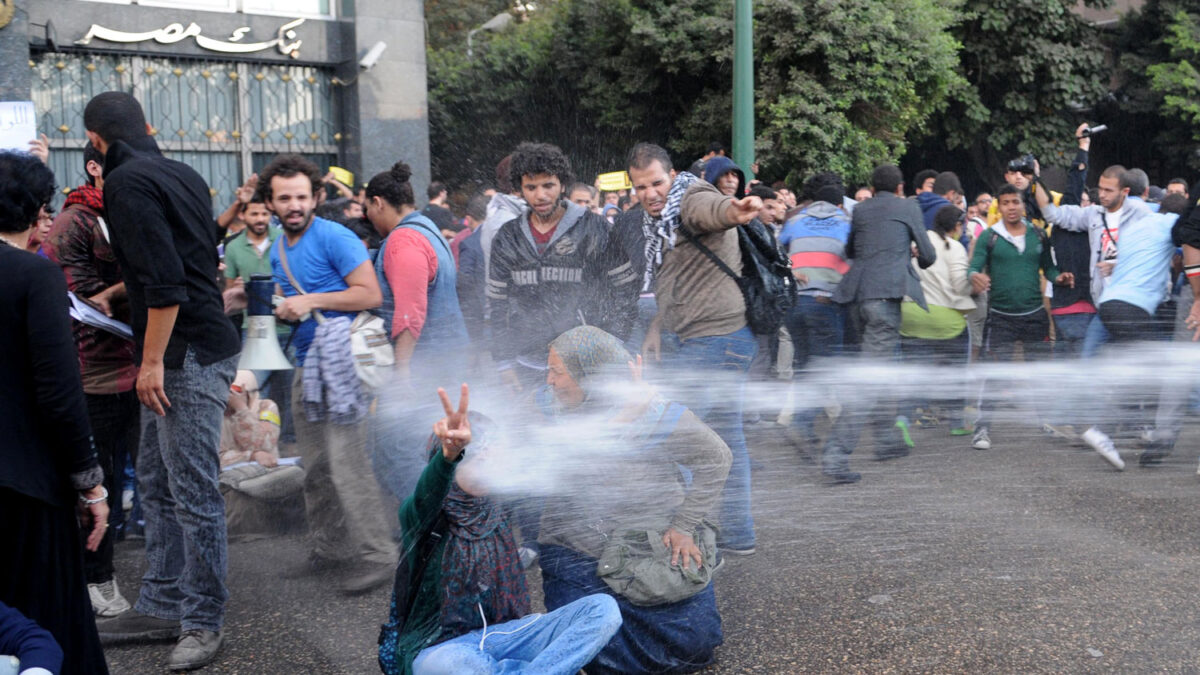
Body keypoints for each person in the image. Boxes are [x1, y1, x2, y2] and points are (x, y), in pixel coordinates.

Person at [83, 91, 240, 670]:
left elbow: (168, 282)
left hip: (186, 354)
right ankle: (163, 600)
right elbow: (190, 261)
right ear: (147, 127)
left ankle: (202, 619)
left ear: (97, 142)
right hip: (195, 344)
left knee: (194, 493)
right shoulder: (182, 172)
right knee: (154, 477)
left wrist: (151, 364)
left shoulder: (124, 185)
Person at [377, 383, 622, 675]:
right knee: (458, 666)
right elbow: (428, 491)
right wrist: (449, 456)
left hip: (505, 636)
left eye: (493, 454)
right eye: (479, 457)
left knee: (602, 610)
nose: (489, 463)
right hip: (441, 648)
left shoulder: (497, 506)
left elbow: (555, 459)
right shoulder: (423, 516)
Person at [536, 327, 732, 674]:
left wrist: (684, 527)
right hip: (577, 547)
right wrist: (624, 417)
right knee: (597, 653)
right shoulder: (548, 408)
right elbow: (572, 459)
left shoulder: (657, 414)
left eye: (557, 371)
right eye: (549, 369)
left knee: (695, 647)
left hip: (648, 543)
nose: (548, 380)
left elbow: (717, 457)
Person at [257, 154, 396, 594]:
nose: (294, 205)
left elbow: (369, 294)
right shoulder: (279, 245)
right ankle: (329, 548)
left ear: (317, 196)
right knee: (314, 466)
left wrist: (311, 301)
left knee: (347, 464)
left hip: (341, 365)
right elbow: (295, 300)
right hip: (307, 364)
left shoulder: (335, 236)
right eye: (284, 198)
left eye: (301, 196)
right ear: (271, 202)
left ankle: (379, 555)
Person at [0, 150, 110, 675]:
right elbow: (61, 393)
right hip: (26, 488)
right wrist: (92, 486)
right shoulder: (34, 277)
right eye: (44, 209)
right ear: (30, 211)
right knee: (44, 632)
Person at [640, 157, 763, 553]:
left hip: (714, 342)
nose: (650, 194)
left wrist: (734, 209)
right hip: (727, 339)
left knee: (673, 436)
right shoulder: (663, 219)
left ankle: (688, 531)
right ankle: (738, 534)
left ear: (672, 177)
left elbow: (712, 212)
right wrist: (657, 327)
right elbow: (673, 277)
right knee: (727, 440)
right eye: (640, 187)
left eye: (657, 183)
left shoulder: (691, 197)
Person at [40, 143, 139, 620]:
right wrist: (138, 287)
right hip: (94, 376)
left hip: (145, 369)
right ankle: (96, 578)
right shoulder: (74, 222)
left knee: (152, 482)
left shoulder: (134, 209)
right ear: (95, 168)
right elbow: (82, 301)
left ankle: (159, 576)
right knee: (98, 484)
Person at [486, 142, 636, 393]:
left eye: (548, 185)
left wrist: (613, 343)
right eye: (531, 187)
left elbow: (626, 289)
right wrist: (504, 363)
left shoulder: (594, 228)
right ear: (520, 190)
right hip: (527, 364)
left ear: (563, 185)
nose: (540, 195)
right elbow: (497, 303)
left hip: (585, 363)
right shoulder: (507, 236)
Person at [823, 164, 937, 484]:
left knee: (881, 370)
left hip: (858, 298)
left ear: (872, 189)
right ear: (901, 187)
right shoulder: (908, 207)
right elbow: (928, 256)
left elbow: (850, 250)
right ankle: (836, 454)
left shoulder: (860, 211)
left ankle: (886, 439)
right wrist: (909, 253)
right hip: (886, 300)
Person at [365, 161, 471, 500]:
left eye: (368, 208)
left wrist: (403, 372)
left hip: (423, 367)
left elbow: (410, 312)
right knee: (430, 451)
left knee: (395, 454)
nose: (368, 216)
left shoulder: (403, 241)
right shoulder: (428, 229)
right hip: (446, 362)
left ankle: (424, 534)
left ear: (378, 203)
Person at [969, 184, 1074, 451]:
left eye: (1015, 202)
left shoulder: (1038, 234)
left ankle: (1046, 422)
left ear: (1023, 205)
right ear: (999, 207)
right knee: (995, 375)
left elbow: (1049, 269)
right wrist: (975, 276)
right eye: (1005, 203)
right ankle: (982, 428)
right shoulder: (989, 237)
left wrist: (1059, 278)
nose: (1011, 207)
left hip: (1034, 316)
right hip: (1001, 318)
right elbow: (973, 266)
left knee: (1040, 373)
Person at [780, 174, 852, 446]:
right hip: (825, 302)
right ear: (840, 204)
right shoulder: (847, 223)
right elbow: (851, 260)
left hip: (796, 302)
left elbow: (779, 252)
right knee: (824, 367)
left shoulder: (795, 220)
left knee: (804, 363)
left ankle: (803, 420)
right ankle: (803, 421)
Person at [900, 207, 976, 431]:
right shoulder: (954, 247)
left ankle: (904, 417)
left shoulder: (915, 244)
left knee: (913, 372)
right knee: (955, 371)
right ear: (956, 226)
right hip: (944, 321)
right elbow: (961, 285)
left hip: (910, 316)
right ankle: (957, 422)